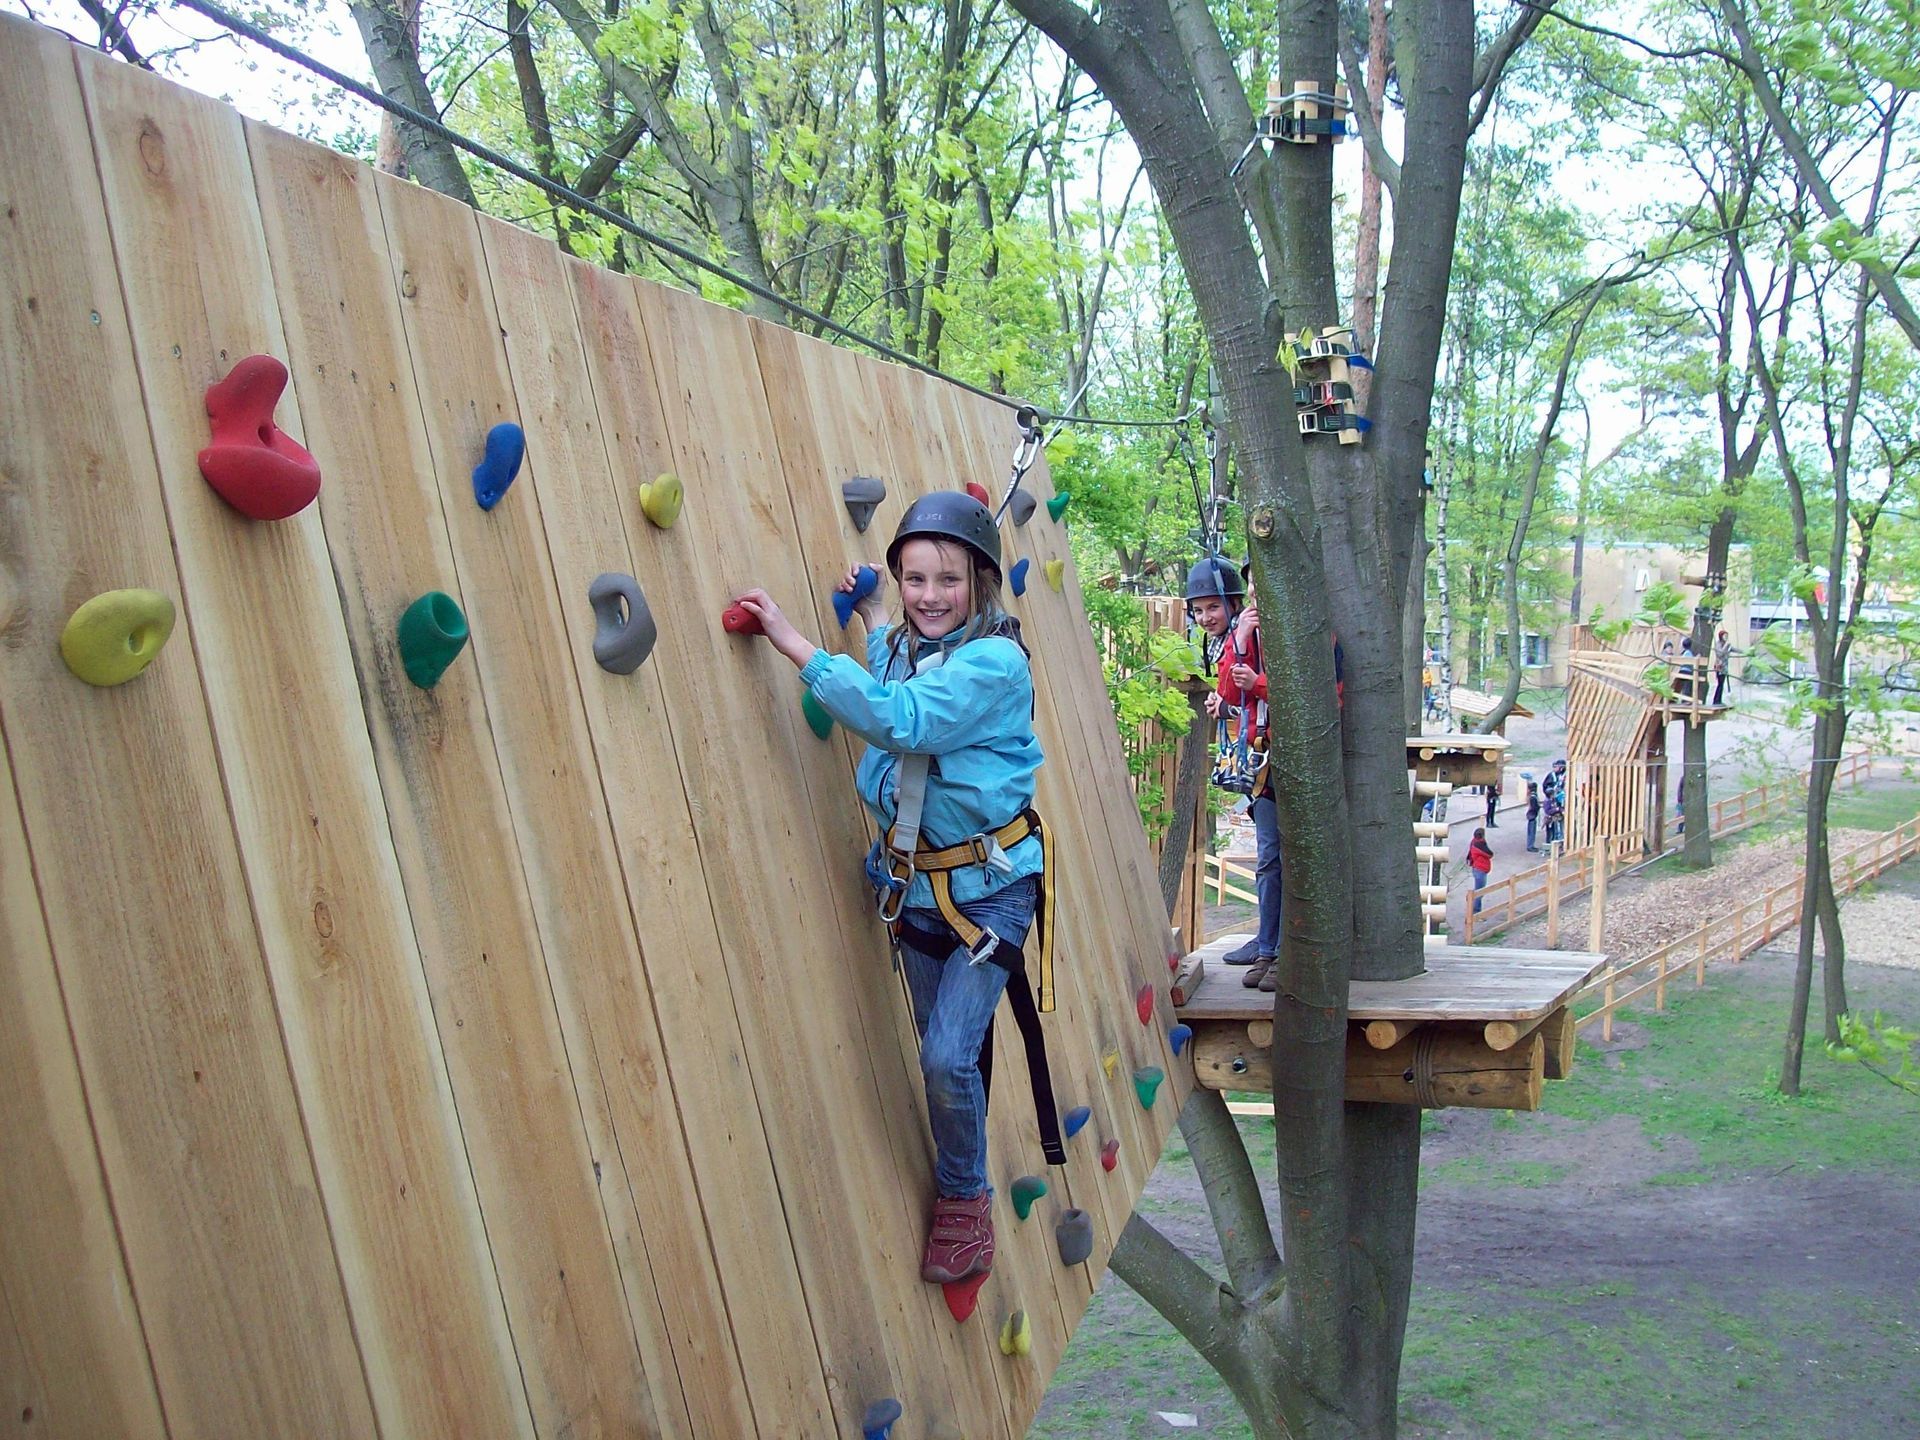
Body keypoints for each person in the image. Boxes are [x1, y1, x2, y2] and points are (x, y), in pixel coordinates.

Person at [734, 491, 1047, 1289]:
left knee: (946, 1058)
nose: (930, 596)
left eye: (947, 580)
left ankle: (964, 1196)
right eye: (914, 579)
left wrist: (793, 641)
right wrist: (873, 609)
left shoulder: (995, 664)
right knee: (941, 1055)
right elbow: (892, 667)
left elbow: (903, 719)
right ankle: (962, 1165)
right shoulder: (910, 644)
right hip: (913, 890)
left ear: (980, 581)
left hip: (990, 893)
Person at [1185, 557, 1263, 968]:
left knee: (1271, 856)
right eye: (1198, 610)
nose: (1205, 617)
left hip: (1265, 749)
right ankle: (1268, 939)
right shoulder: (1222, 641)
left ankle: (1271, 942)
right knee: (1269, 855)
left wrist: (1232, 696)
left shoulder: (1246, 636)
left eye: (1213, 607)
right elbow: (1237, 698)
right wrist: (1224, 704)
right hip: (1251, 745)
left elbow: (1247, 686)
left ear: (1232, 603)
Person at [1217, 581, 1283, 993]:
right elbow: (1228, 691)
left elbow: (1314, 695)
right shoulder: (1250, 636)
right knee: (1270, 859)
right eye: (1255, 589)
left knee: (1296, 862)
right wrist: (1240, 636)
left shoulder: (1306, 631)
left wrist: (1257, 682)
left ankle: (1283, 952)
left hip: (1299, 757)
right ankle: (1268, 948)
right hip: (1264, 764)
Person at [1468, 826, 1494, 912]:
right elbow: (1489, 854)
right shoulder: (1480, 845)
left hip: (1477, 868)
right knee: (1479, 892)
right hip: (1481, 870)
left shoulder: (1473, 842)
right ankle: (1476, 911)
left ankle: (1473, 906)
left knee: (1478, 891)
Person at [1713, 628, 1734, 705]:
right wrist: (1726, 645)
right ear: (1721, 636)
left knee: (1721, 684)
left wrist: (1745, 652)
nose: (1726, 637)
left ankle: (1718, 700)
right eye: (1725, 636)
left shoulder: (1726, 645)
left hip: (1725, 667)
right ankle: (1716, 700)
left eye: (1727, 636)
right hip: (1720, 667)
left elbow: (1733, 649)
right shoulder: (1718, 644)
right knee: (1720, 684)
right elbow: (1720, 654)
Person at [1522, 770, 1541, 853]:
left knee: (1531, 831)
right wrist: (1538, 807)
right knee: (1532, 832)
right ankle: (1530, 846)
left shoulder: (1532, 796)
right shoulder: (1533, 797)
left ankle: (1530, 845)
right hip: (1532, 815)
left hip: (1531, 815)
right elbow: (1534, 807)